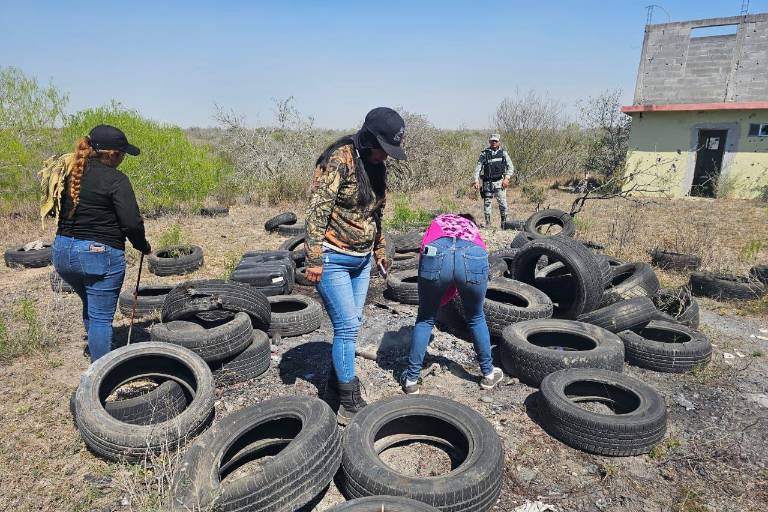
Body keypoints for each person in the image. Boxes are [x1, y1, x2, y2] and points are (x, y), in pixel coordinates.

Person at [304, 107, 406, 424]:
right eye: (382, 149)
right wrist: (314, 257)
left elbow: (376, 213)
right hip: (333, 257)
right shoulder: (339, 159)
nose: (385, 157)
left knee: (354, 322)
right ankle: (348, 400)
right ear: (369, 139)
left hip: (362, 261)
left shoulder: (376, 166)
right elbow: (318, 210)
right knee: (347, 327)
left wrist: (379, 248)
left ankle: (337, 381)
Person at [53, 125, 151, 362]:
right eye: (121, 154)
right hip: (98, 254)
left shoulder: (70, 172)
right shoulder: (116, 179)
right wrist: (142, 245)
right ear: (110, 154)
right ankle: (102, 374)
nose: (122, 158)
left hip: (62, 252)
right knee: (100, 318)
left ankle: (98, 349)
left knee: (90, 302)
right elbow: (131, 222)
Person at [401, 213, 504, 394]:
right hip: (473, 253)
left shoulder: (439, 220)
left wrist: (438, 295)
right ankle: (488, 374)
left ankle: (411, 380)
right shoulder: (472, 227)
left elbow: (423, 250)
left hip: (436, 251)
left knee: (425, 318)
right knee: (476, 317)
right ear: (468, 220)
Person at [473, 133, 514, 228]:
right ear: (489, 141)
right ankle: (488, 225)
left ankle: (504, 225)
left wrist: (507, 178)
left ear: (499, 141)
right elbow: (478, 168)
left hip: (500, 182)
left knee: (503, 204)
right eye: (492, 141)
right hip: (487, 183)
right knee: (487, 203)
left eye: (495, 141)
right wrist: (476, 180)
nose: (494, 142)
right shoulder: (484, 154)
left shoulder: (503, 153)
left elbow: (510, 167)